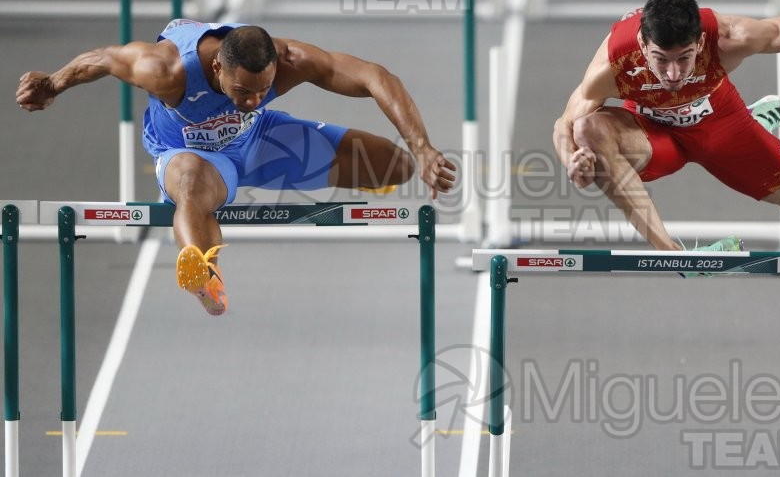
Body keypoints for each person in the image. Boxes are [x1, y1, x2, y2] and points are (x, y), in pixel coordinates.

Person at [17, 19, 456, 315]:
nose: (253, 98)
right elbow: (101, 59)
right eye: (244, 91)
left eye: (263, 89)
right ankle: (203, 273)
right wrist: (53, 83)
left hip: (260, 140)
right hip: (191, 154)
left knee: (393, 167)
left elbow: (377, 77)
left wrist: (422, 148)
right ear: (216, 69)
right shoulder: (164, 69)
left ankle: (378, 168)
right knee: (191, 186)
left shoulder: (287, 63)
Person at [553, 0, 780, 260]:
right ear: (643, 44)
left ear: (701, 42)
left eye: (685, 58)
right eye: (661, 59)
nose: (674, 74)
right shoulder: (613, 65)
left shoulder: (730, 36)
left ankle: (753, 122)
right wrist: (574, 164)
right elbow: (564, 124)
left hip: (722, 125)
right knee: (586, 130)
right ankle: (672, 255)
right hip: (653, 133)